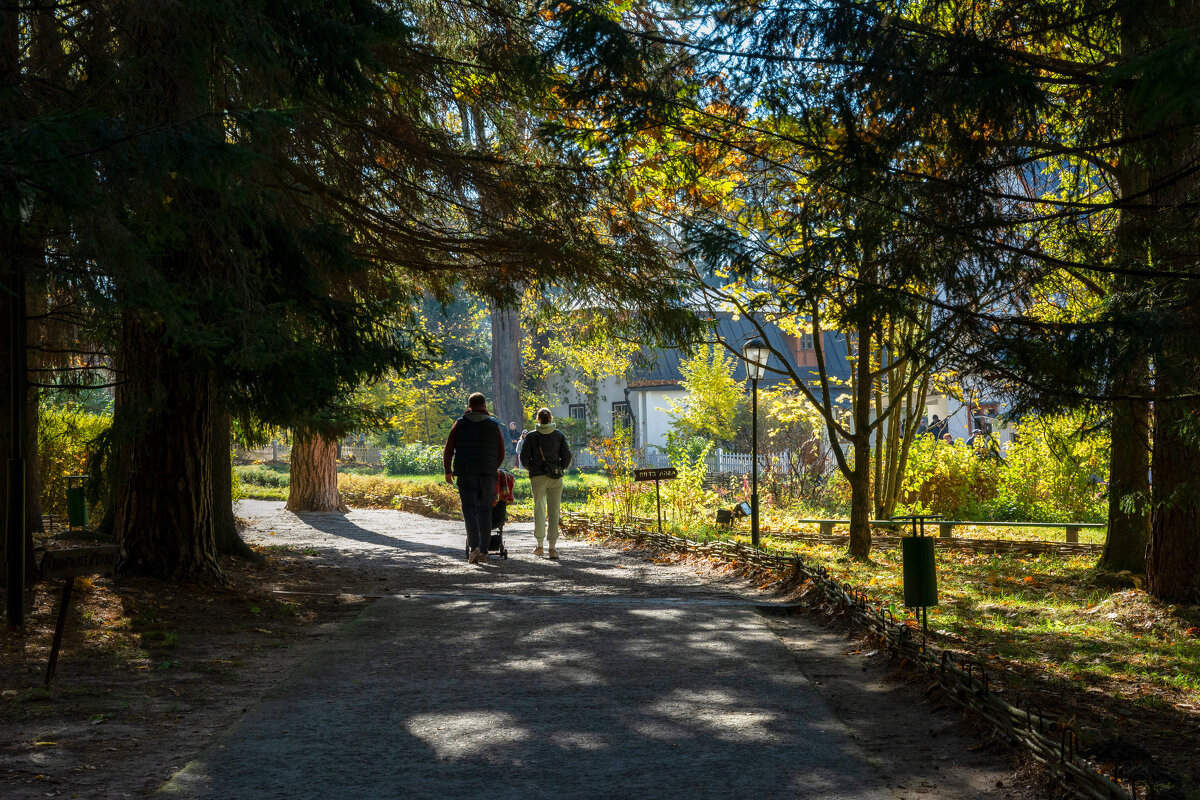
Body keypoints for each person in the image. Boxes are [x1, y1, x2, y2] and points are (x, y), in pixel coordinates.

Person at [443, 392, 506, 564]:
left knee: (469, 511)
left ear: (469, 405)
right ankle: (484, 551)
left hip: (465, 473)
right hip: (487, 475)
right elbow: (501, 452)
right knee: (486, 511)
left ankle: (474, 548)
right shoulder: (494, 426)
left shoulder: (459, 424)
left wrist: (448, 471)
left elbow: (448, 449)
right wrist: (493, 467)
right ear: (485, 405)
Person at [520, 407, 572, 559]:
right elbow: (567, 457)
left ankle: (540, 546)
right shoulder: (559, 435)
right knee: (554, 511)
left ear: (538, 419)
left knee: (539, 510)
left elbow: (524, 459)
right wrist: (558, 468)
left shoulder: (530, 436)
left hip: (537, 478)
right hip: (555, 478)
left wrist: (533, 469)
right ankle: (552, 548)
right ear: (550, 419)